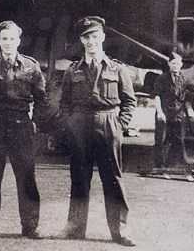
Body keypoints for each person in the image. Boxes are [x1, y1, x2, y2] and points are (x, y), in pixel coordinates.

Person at [58, 16, 136, 247]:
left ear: (102, 37)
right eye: (86, 37)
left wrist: (120, 125)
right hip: (80, 124)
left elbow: (129, 101)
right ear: (81, 41)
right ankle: (75, 228)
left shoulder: (117, 68)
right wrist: (70, 124)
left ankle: (120, 230)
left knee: (112, 179)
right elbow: (64, 103)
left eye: (94, 36)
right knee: (79, 178)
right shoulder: (72, 70)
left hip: (108, 122)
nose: (91, 41)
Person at [0, 21, 52, 239]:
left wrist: (35, 122)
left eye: (12, 39)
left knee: (26, 177)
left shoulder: (31, 66)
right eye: (4, 39)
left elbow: (41, 99)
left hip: (21, 125)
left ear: (19, 41)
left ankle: (30, 226)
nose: (8, 43)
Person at [152, 50, 194, 181]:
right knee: (162, 141)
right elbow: (157, 96)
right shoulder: (162, 78)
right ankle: (160, 168)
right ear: (169, 64)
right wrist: (160, 112)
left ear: (181, 64)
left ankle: (172, 168)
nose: (175, 66)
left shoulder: (183, 78)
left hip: (178, 115)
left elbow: (191, 92)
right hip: (164, 114)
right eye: (173, 63)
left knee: (178, 141)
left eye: (177, 64)